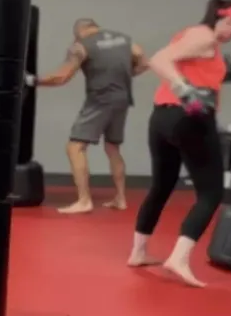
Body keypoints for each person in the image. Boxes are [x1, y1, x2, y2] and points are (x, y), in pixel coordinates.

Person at [128, 0, 231, 287]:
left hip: (162, 118)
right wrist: (184, 89)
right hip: (189, 119)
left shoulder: (196, 38)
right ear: (224, 18)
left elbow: (190, 67)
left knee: (161, 186)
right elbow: (159, 60)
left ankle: (138, 252)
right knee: (211, 193)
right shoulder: (204, 36)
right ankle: (178, 258)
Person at [36, 18, 151, 213]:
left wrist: (33, 81)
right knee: (112, 147)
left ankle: (84, 201)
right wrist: (124, 74)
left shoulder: (81, 45)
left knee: (75, 147)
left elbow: (62, 77)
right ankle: (120, 199)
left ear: (78, 32)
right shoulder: (124, 39)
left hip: (100, 99)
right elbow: (143, 61)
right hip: (122, 98)